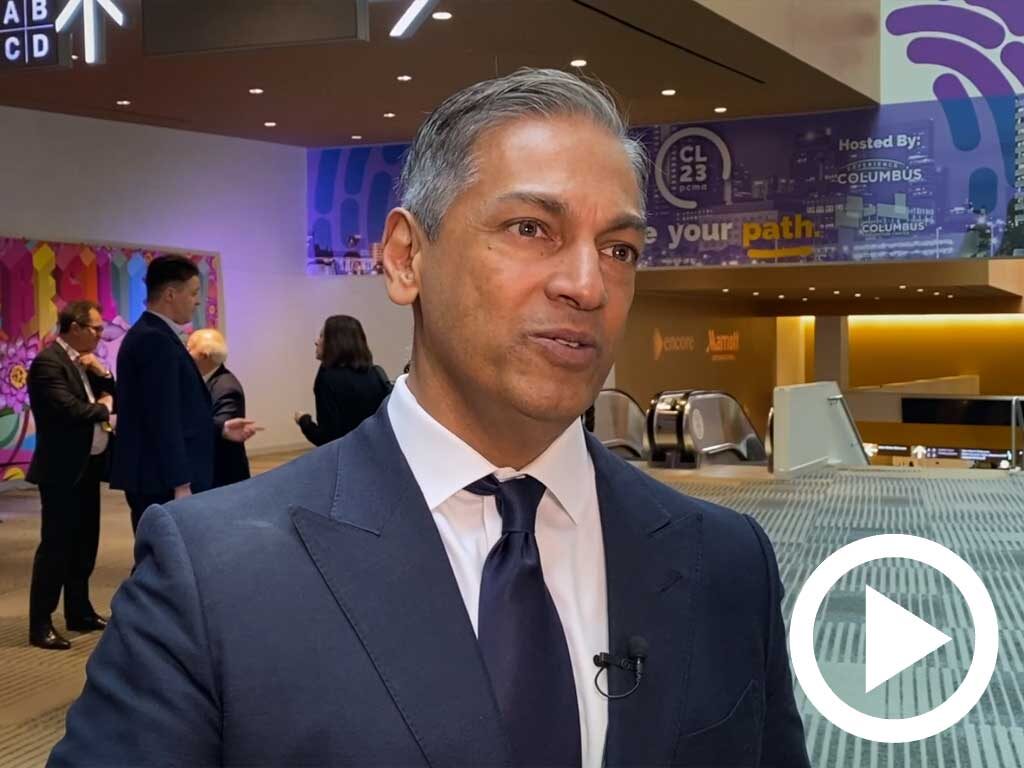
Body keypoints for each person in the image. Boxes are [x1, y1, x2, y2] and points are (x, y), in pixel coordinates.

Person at [51, 69, 810, 767]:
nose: (588, 285)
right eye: (530, 229)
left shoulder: (725, 561)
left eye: (619, 248)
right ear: (406, 258)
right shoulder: (214, 573)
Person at [109, 255, 253, 533]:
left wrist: (220, 428)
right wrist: (180, 482)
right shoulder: (154, 340)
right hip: (161, 479)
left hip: (159, 474)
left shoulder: (154, 335)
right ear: (170, 294)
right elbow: (162, 418)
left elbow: (178, 412)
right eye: (194, 293)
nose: (197, 301)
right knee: (166, 551)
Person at [25, 300, 115, 650]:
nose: (100, 335)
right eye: (95, 328)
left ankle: (79, 610)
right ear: (74, 327)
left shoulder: (84, 362)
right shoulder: (49, 363)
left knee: (85, 543)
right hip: (62, 470)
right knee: (56, 546)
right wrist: (103, 408)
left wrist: (103, 374)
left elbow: (115, 394)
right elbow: (69, 409)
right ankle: (40, 622)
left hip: (88, 466)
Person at [293, 315, 391, 446]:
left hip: (349, 455)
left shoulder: (327, 377)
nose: (316, 341)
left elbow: (327, 439)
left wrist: (304, 420)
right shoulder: (375, 374)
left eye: (322, 336)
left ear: (335, 342)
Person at [187, 329, 253, 488]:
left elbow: (219, 428)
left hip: (222, 477)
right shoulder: (207, 381)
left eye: (189, 348)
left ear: (204, 356)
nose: (185, 354)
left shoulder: (226, 388)